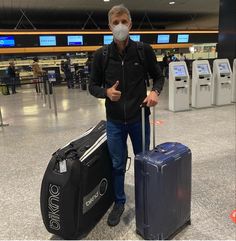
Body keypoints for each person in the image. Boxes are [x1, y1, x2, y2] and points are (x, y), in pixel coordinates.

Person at [89, 4, 164, 227]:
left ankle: (145, 198)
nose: (120, 26)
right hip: (114, 122)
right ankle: (119, 202)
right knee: (117, 163)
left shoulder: (143, 50)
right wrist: (106, 93)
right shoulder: (101, 55)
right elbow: (92, 86)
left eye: (123, 21)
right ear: (109, 27)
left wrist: (154, 92)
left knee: (143, 161)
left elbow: (159, 77)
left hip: (139, 119)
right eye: (115, 23)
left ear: (130, 24)